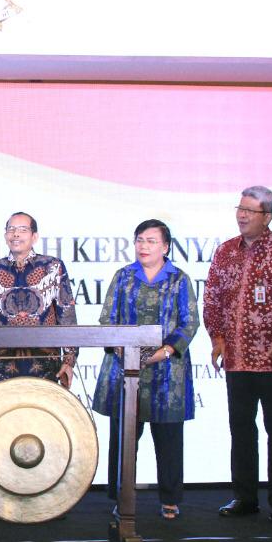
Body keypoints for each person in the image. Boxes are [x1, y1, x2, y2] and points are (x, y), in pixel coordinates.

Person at [204, 186, 272, 522]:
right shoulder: (225, 252)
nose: (242, 215)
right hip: (237, 359)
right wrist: (217, 337)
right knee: (241, 430)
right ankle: (244, 498)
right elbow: (213, 298)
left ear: (268, 216)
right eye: (240, 208)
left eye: (251, 211)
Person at [92, 220, 199, 519]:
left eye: (151, 241)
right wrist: (124, 351)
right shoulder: (124, 276)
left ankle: (170, 499)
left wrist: (165, 351)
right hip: (126, 370)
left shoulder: (179, 279)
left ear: (165, 247)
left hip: (167, 372)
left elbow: (189, 322)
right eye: (139, 240)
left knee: (168, 438)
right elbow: (107, 318)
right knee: (124, 438)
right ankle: (122, 497)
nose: (143, 246)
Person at [0, 212, 76, 391]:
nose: (16, 234)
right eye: (11, 229)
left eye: (22, 230)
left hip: (44, 366)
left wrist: (69, 361)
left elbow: (67, 315)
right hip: (2, 365)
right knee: (3, 418)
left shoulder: (52, 267)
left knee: (42, 417)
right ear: (5, 236)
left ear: (34, 236)